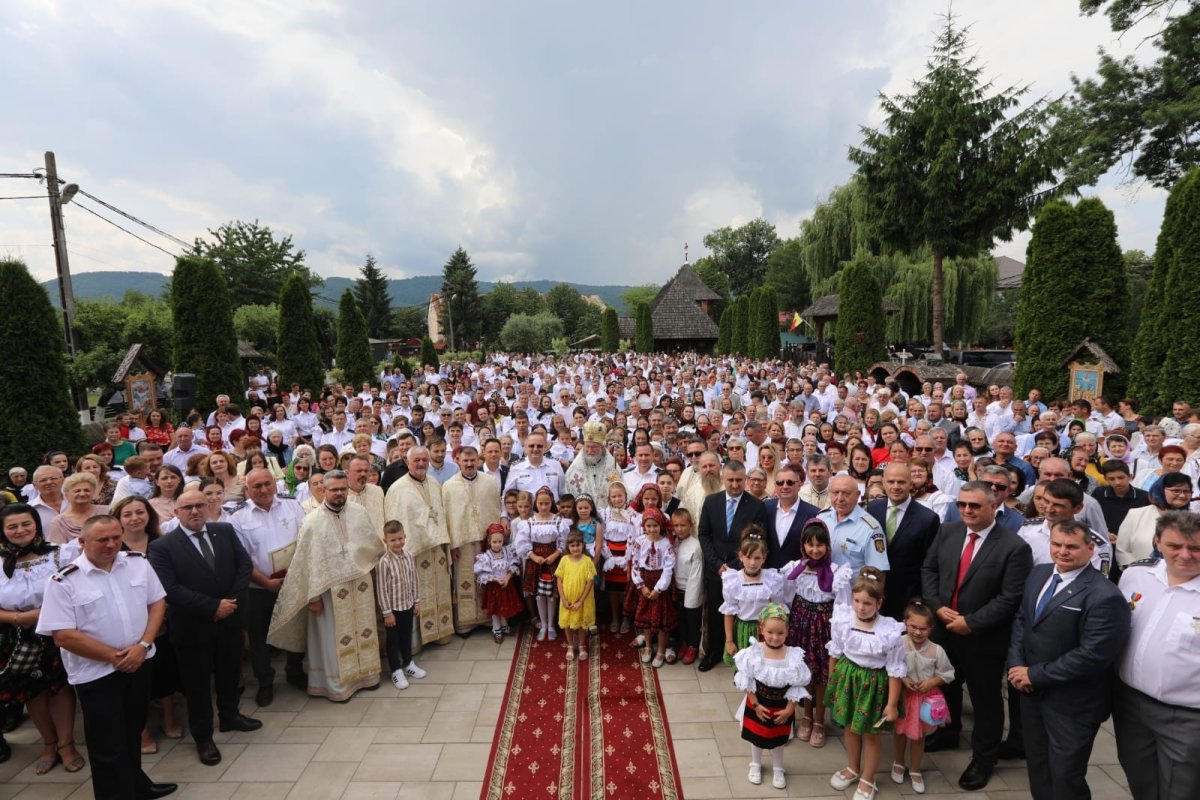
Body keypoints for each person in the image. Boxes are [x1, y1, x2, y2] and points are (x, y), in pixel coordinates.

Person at [36, 515, 178, 800]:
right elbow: (63, 635)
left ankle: (137, 785)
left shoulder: (138, 563)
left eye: (116, 537)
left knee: (133, 730)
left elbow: (157, 602)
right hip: (97, 674)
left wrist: (142, 645)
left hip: (140, 662)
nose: (111, 544)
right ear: (82, 541)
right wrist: (115, 657)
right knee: (107, 745)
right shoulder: (64, 581)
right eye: (102, 539)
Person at [1006, 519, 1131, 800]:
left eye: (1071, 547)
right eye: (1057, 544)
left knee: (1065, 776)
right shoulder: (1038, 574)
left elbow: (1092, 655)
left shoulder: (1105, 595)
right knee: (1038, 766)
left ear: (1090, 549)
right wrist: (1016, 667)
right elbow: (1022, 621)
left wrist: (1034, 674)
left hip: (1073, 704)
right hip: (1031, 693)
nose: (1062, 551)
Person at [921, 481, 1033, 791]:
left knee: (986, 701)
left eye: (975, 505)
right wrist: (938, 608)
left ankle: (984, 759)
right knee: (947, 686)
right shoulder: (948, 532)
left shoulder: (1013, 546)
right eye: (962, 504)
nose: (967, 510)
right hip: (944, 628)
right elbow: (929, 571)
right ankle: (948, 732)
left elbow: (1011, 597)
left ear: (993, 505)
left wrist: (972, 622)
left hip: (983, 638)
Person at [149, 488, 259, 766]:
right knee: (197, 684)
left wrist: (230, 602)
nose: (195, 511)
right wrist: (212, 607)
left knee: (229, 671)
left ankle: (230, 716)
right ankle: (203, 736)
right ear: (177, 513)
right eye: (188, 508)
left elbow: (244, 564)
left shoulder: (223, 531)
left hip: (230, 619)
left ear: (209, 507)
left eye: (200, 505)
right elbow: (170, 588)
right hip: (192, 626)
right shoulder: (162, 547)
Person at [268, 470, 385, 702]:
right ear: (324, 490)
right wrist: (313, 599)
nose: (340, 493)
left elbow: (372, 546)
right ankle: (336, 686)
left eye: (343, 489)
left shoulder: (359, 512)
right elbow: (307, 563)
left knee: (363, 630)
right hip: (328, 594)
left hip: (359, 586)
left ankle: (367, 676)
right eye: (334, 490)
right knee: (332, 640)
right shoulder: (312, 521)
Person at [1113, 510, 1200, 800]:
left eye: (1196, 548)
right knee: (1141, 783)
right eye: (1175, 546)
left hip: (1187, 719)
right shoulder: (1135, 576)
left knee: (1181, 792)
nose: (1185, 555)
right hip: (1131, 707)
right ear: (1157, 542)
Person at [0, 505, 85, 775]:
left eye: (26, 523)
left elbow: (76, 589)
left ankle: (66, 744)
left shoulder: (58, 554)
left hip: (56, 632)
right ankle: (48, 745)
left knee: (58, 687)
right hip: (17, 637)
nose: (20, 530)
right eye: (12, 526)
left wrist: (40, 614)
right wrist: (17, 619)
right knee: (31, 691)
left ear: (36, 524)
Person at [826, 566, 906, 800]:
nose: (861, 607)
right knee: (850, 727)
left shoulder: (889, 630)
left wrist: (891, 704)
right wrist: (833, 679)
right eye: (857, 601)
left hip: (873, 685)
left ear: (879, 603)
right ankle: (853, 767)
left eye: (867, 603)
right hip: (848, 679)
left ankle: (868, 778)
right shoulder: (842, 619)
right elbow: (836, 652)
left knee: (871, 734)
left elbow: (895, 670)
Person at [229, 468, 306, 707]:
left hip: (292, 583)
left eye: (267, 484)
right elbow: (241, 559)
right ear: (247, 490)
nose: (263, 490)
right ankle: (265, 682)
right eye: (256, 487)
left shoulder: (292, 506)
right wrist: (266, 582)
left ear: (275, 484)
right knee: (259, 637)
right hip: (258, 588)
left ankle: (295, 671)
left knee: (294, 628)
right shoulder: (238, 518)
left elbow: (305, 542)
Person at [780, 519, 849, 749]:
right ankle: (806, 715)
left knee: (821, 676)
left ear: (828, 546)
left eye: (820, 545)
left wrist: (838, 639)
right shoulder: (795, 569)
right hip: (800, 624)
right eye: (810, 544)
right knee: (803, 673)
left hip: (823, 628)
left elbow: (843, 608)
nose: (815, 550)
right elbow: (787, 598)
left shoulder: (837, 573)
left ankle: (820, 720)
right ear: (803, 545)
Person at [697, 460, 770, 671]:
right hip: (716, 570)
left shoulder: (756, 506)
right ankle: (714, 652)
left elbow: (759, 540)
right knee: (716, 612)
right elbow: (704, 534)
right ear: (723, 479)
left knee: (742, 614)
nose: (735, 485)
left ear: (745, 480)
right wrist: (718, 565)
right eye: (731, 480)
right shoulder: (711, 502)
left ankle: (743, 656)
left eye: (739, 480)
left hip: (744, 572)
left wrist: (738, 566)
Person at [733, 602, 811, 791]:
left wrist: (789, 710)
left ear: (787, 632)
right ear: (761, 629)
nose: (775, 638)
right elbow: (747, 681)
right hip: (758, 703)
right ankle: (756, 764)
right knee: (756, 736)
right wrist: (756, 704)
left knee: (778, 740)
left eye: (780, 633)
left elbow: (797, 685)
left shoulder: (793, 656)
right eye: (770, 632)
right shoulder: (754, 653)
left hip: (781, 706)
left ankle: (778, 767)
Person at [383, 447, 455, 645]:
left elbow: (440, 513)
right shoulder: (397, 489)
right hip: (414, 552)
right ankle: (417, 640)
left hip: (437, 550)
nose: (421, 463)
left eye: (424, 459)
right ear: (407, 462)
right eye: (417, 460)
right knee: (416, 594)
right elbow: (395, 519)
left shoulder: (433, 483)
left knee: (440, 590)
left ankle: (441, 632)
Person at [891, 600, 955, 795]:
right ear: (905, 624)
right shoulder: (899, 644)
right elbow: (891, 666)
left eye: (923, 629)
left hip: (925, 700)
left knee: (918, 736)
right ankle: (899, 762)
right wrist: (903, 681)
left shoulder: (937, 650)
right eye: (913, 627)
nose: (918, 632)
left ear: (931, 629)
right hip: (904, 696)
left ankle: (915, 769)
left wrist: (931, 682)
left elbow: (948, 673)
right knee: (900, 732)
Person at [866, 464, 940, 620]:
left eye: (901, 482)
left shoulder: (927, 519)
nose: (896, 486)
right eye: (891, 482)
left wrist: (921, 597)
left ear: (910, 483)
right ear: (883, 483)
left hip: (907, 598)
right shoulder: (873, 509)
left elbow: (931, 564)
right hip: (874, 593)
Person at [441, 445, 501, 635]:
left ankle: (488, 618)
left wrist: (495, 537)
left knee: (487, 580)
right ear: (457, 460)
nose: (468, 464)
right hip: (463, 543)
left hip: (486, 541)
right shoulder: (449, 486)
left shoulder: (490, 482)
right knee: (465, 581)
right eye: (464, 461)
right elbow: (447, 516)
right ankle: (466, 622)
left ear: (478, 460)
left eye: (472, 460)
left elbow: (495, 508)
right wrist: (451, 545)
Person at [720, 528, 787, 667]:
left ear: (764, 557)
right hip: (743, 631)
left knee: (764, 667)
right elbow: (729, 613)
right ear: (741, 556)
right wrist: (729, 641)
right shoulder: (733, 580)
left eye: (757, 558)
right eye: (748, 557)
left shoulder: (772, 580)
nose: (752, 563)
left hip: (765, 632)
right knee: (745, 669)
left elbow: (777, 610)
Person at [625, 508, 676, 668]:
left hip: (660, 583)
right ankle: (648, 647)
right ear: (644, 526)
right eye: (649, 526)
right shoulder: (640, 542)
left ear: (660, 526)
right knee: (646, 619)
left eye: (655, 526)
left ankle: (661, 650)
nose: (652, 529)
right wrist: (641, 585)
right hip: (645, 582)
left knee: (661, 620)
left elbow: (668, 569)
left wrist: (658, 589)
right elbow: (634, 564)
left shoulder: (667, 544)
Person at [516, 486, 569, 641]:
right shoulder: (530, 522)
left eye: (547, 503)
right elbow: (523, 543)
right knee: (539, 595)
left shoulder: (558, 521)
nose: (544, 507)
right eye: (540, 504)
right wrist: (533, 556)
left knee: (552, 594)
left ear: (551, 502)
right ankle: (543, 624)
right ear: (536, 504)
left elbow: (563, 542)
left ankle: (551, 625)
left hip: (553, 560)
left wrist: (555, 554)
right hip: (536, 561)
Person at [375, 521, 423, 690]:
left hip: (408, 605)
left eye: (400, 538)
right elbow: (381, 589)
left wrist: (416, 602)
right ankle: (396, 670)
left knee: (406, 636)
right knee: (393, 641)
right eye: (393, 540)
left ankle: (408, 663)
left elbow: (415, 580)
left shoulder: (409, 556)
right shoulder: (384, 562)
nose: (397, 543)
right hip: (393, 610)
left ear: (405, 537)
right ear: (385, 541)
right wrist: (387, 613)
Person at [1116, 472, 1193, 567]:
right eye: (1176, 491)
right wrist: (1136, 571)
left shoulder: (1194, 520)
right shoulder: (1136, 514)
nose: (1182, 496)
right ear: (1160, 490)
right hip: (1139, 575)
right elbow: (1122, 550)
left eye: (1186, 491)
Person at [817, 474, 890, 574]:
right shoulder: (821, 519)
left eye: (846, 493)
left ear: (858, 494)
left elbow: (876, 572)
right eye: (835, 492)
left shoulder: (870, 528)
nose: (840, 498)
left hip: (852, 588)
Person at [763, 464, 820, 569]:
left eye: (790, 482)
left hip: (799, 575)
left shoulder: (813, 513)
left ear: (799, 485)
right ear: (775, 486)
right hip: (768, 575)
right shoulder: (765, 507)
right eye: (780, 483)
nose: (785, 486)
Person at [474, 523, 523, 644]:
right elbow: (482, 573)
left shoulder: (507, 551)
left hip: (506, 585)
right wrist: (495, 579)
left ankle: (504, 625)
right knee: (495, 609)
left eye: (500, 541)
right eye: (494, 542)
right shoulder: (486, 556)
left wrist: (507, 578)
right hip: (494, 587)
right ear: (489, 541)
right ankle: (496, 629)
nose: (497, 544)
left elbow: (513, 564)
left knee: (505, 606)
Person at [599, 481, 638, 633]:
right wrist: (608, 556)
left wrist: (627, 557)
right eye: (614, 496)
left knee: (626, 589)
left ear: (625, 496)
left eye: (620, 496)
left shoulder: (632, 514)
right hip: (610, 554)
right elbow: (601, 536)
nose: (617, 499)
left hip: (626, 555)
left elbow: (634, 535)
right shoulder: (605, 513)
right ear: (609, 498)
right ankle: (615, 617)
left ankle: (626, 618)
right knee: (612, 590)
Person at [556, 530, 598, 661]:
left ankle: (581, 645)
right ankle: (570, 645)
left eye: (578, 545)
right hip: (567, 600)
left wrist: (580, 601)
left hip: (582, 601)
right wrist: (563, 599)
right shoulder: (564, 560)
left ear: (583, 545)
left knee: (581, 624)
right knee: (567, 623)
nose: (575, 548)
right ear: (568, 547)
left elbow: (589, 582)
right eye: (572, 546)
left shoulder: (587, 561)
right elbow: (559, 580)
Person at [670, 508, 704, 666]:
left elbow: (696, 575)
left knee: (692, 620)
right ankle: (683, 641)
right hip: (677, 589)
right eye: (675, 525)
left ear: (690, 525)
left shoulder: (695, 546)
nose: (679, 529)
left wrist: (691, 599)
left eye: (683, 525)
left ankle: (693, 645)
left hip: (690, 590)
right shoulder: (674, 542)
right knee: (681, 619)